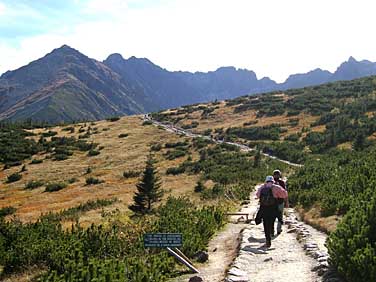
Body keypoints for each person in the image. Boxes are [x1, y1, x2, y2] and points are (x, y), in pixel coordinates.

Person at [256, 176, 288, 248]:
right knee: (273, 220)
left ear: (266, 181)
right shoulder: (276, 187)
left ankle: (268, 239)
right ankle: (273, 230)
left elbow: (257, 195)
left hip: (264, 208)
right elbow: (285, 194)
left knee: (265, 223)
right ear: (273, 181)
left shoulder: (262, 187)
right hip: (273, 207)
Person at [273, 169, 288, 234]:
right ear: (279, 175)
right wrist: (286, 202)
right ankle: (279, 229)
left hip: (272, 203)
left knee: (272, 216)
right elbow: (285, 193)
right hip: (280, 202)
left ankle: (271, 229)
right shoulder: (282, 182)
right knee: (280, 216)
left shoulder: (270, 182)